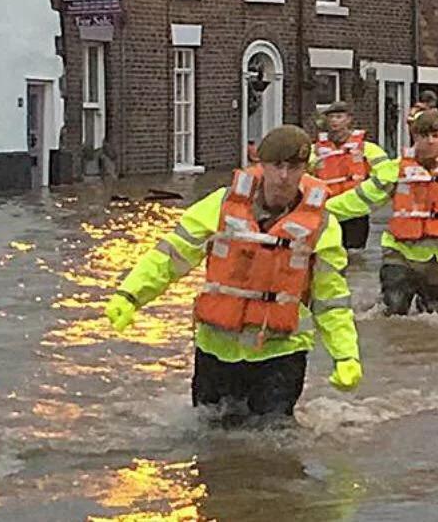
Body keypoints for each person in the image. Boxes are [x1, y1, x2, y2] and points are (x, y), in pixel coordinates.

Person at [103, 126, 362, 425]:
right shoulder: (220, 205)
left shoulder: (323, 225)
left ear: (306, 169)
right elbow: (172, 256)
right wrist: (131, 295)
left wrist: (346, 354)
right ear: (260, 164)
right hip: (215, 349)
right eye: (277, 166)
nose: (284, 177)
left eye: (294, 168)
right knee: (207, 439)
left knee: (274, 442)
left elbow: (330, 297)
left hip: (280, 353)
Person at [326, 110, 438, 316]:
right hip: (400, 253)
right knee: (393, 310)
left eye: (436, 136)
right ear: (415, 137)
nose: (430, 142)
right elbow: (361, 198)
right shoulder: (396, 168)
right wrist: (319, 212)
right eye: (424, 136)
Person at [311, 101, 389, 250]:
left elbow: (385, 174)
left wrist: (374, 199)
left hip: (355, 211)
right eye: (331, 117)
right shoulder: (315, 149)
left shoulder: (367, 148)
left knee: (355, 255)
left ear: (349, 119)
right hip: (327, 209)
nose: (334, 121)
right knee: (326, 252)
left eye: (339, 117)